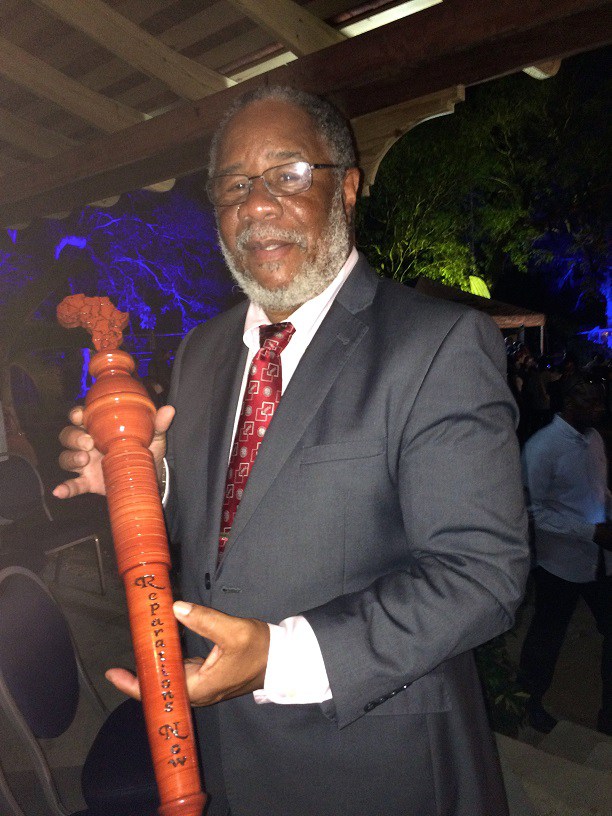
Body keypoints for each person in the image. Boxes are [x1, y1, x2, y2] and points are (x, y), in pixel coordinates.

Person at [54, 86, 529, 816]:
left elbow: (482, 576)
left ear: (346, 188)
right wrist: (148, 478)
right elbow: (227, 521)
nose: (259, 203)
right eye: (235, 185)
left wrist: (279, 655)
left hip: (375, 764)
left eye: (289, 174)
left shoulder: (435, 345)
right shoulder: (204, 349)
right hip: (221, 751)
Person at [519, 375, 612, 734]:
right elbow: (533, 510)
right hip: (561, 564)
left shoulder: (594, 439)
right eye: (593, 401)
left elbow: (596, 490)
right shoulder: (542, 448)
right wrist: (590, 531)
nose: (600, 407)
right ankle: (530, 702)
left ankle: (609, 712)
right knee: (547, 636)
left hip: (601, 562)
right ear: (570, 402)